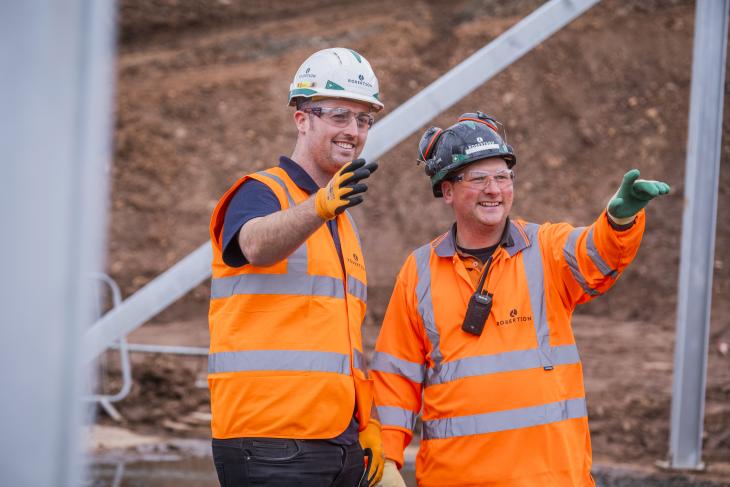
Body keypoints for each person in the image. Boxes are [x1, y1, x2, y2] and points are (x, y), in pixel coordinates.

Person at [371, 112, 670, 487]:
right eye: (478, 178)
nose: (494, 189)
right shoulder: (419, 273)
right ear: (446, 190)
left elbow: (596, 254)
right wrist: (385, 461)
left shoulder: (545, 249)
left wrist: (619, 220)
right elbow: (395, 379)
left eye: (502, 177)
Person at [207, 47, 386, 487]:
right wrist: (318, 208)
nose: (354, 131)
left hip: (336, 438)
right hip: (270, 440)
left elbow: (341, 342)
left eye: (364, 120)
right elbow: (253, 245)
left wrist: (367, 422)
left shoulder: (343, 222)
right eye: (340, 116)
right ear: (302, 119)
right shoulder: (262, 191)